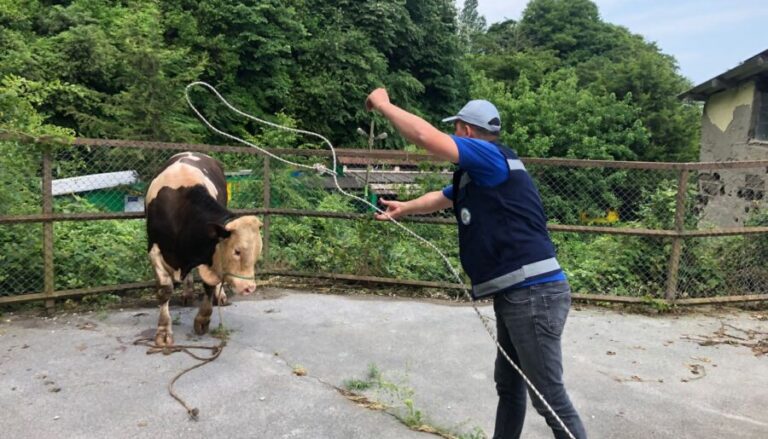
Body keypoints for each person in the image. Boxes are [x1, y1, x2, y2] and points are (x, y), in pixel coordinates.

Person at [365, 88, 587, 439]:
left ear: (466, 130)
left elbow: (426, 137)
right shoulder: (480, 174)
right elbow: (441, 197)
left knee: (549, 399)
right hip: (518, 293)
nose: (454, 135)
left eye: (456, 129)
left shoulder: (487, 156)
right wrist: (404, 207)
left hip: (533, 295)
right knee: (509, 388)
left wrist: (384, 105)